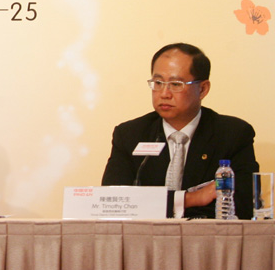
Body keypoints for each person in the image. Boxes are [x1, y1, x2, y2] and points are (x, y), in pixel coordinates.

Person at [101, 42, 258, 219]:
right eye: (158, 83)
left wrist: (153, 204)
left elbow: (242, 204)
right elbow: (113, 203)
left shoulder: (233, 134)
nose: (164, 93)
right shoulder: (130, 134)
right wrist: (190, 199)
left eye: (176, 84)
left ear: (202, 89)